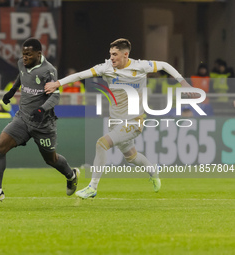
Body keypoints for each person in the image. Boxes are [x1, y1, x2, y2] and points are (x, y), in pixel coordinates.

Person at [45, 38, 197, 199]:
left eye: (115, 54)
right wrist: (58, 83)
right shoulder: (106, 68)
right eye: (110, 54)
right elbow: (81, 75)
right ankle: (153, 171)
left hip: (134, 121)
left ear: (125, 54)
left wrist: (183, 83)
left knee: (101, 144)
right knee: (132, 157)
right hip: (116, 122)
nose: (111, 58)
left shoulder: (140, 66)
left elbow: (165, 65)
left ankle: (92, 187)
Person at [0, 38, 79, 202]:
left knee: (50, 159)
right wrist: (12, 91)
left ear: (39, 54)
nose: (25, 58)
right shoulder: (22, 63)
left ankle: (71, 174)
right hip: (22, 119)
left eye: (29, 55)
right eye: (23, 54)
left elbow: (55, 96)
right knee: (0, 146)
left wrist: (42, 109)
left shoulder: (48, 71)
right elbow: (21, 76)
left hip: (43, 124)